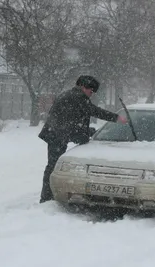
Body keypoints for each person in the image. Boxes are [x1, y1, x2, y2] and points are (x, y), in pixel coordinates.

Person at [38, 75, 127, 203]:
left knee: (52, 166)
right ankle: (47, 197)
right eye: (91, 91)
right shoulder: (78, 97)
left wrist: (84, 132)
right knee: (53, 167)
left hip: (55, 133)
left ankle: (47, 196)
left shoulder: (68, 94)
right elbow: (94, 111)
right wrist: (117, 118)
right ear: (84, 87)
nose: (91, 94)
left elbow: (71, 118)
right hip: (58, 134)